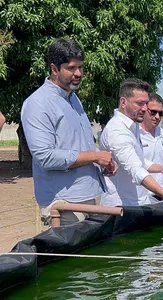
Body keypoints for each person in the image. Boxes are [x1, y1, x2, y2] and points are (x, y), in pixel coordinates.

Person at [21, 38, 116, 226]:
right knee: (67, 256)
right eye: (71, 68)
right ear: (54, 69)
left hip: (85, 199)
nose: (78, 73)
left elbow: (76, 145)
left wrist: (100, 164)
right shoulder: (38, 103)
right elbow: (45, 157)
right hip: (63, 205)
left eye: (80, 67)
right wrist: (94, 157)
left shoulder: (73, 98)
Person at [99, 78, 163, 216]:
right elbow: (136, 169)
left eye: (146, 104)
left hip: (138, 204)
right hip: (120, 209)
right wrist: (162, 191)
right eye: (140, 103)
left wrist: (162, 168)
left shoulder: (132, 126)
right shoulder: (116, 131)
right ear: (123, 102)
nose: (145, 109)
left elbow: (139, 160)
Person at [139, 93, 163, 190]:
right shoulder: (135, 134)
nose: (157, 116)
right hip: (143, 196)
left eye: (160, 113)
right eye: (153, 112)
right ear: (144, 109)